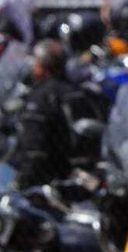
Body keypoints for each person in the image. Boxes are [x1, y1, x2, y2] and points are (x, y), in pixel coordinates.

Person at [12, 39, 80, 188]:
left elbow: (34, 148)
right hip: (71, 173)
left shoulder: (41, 97)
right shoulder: (75, 91)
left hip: (46, 179)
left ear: (41, 66)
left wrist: (22, 181)